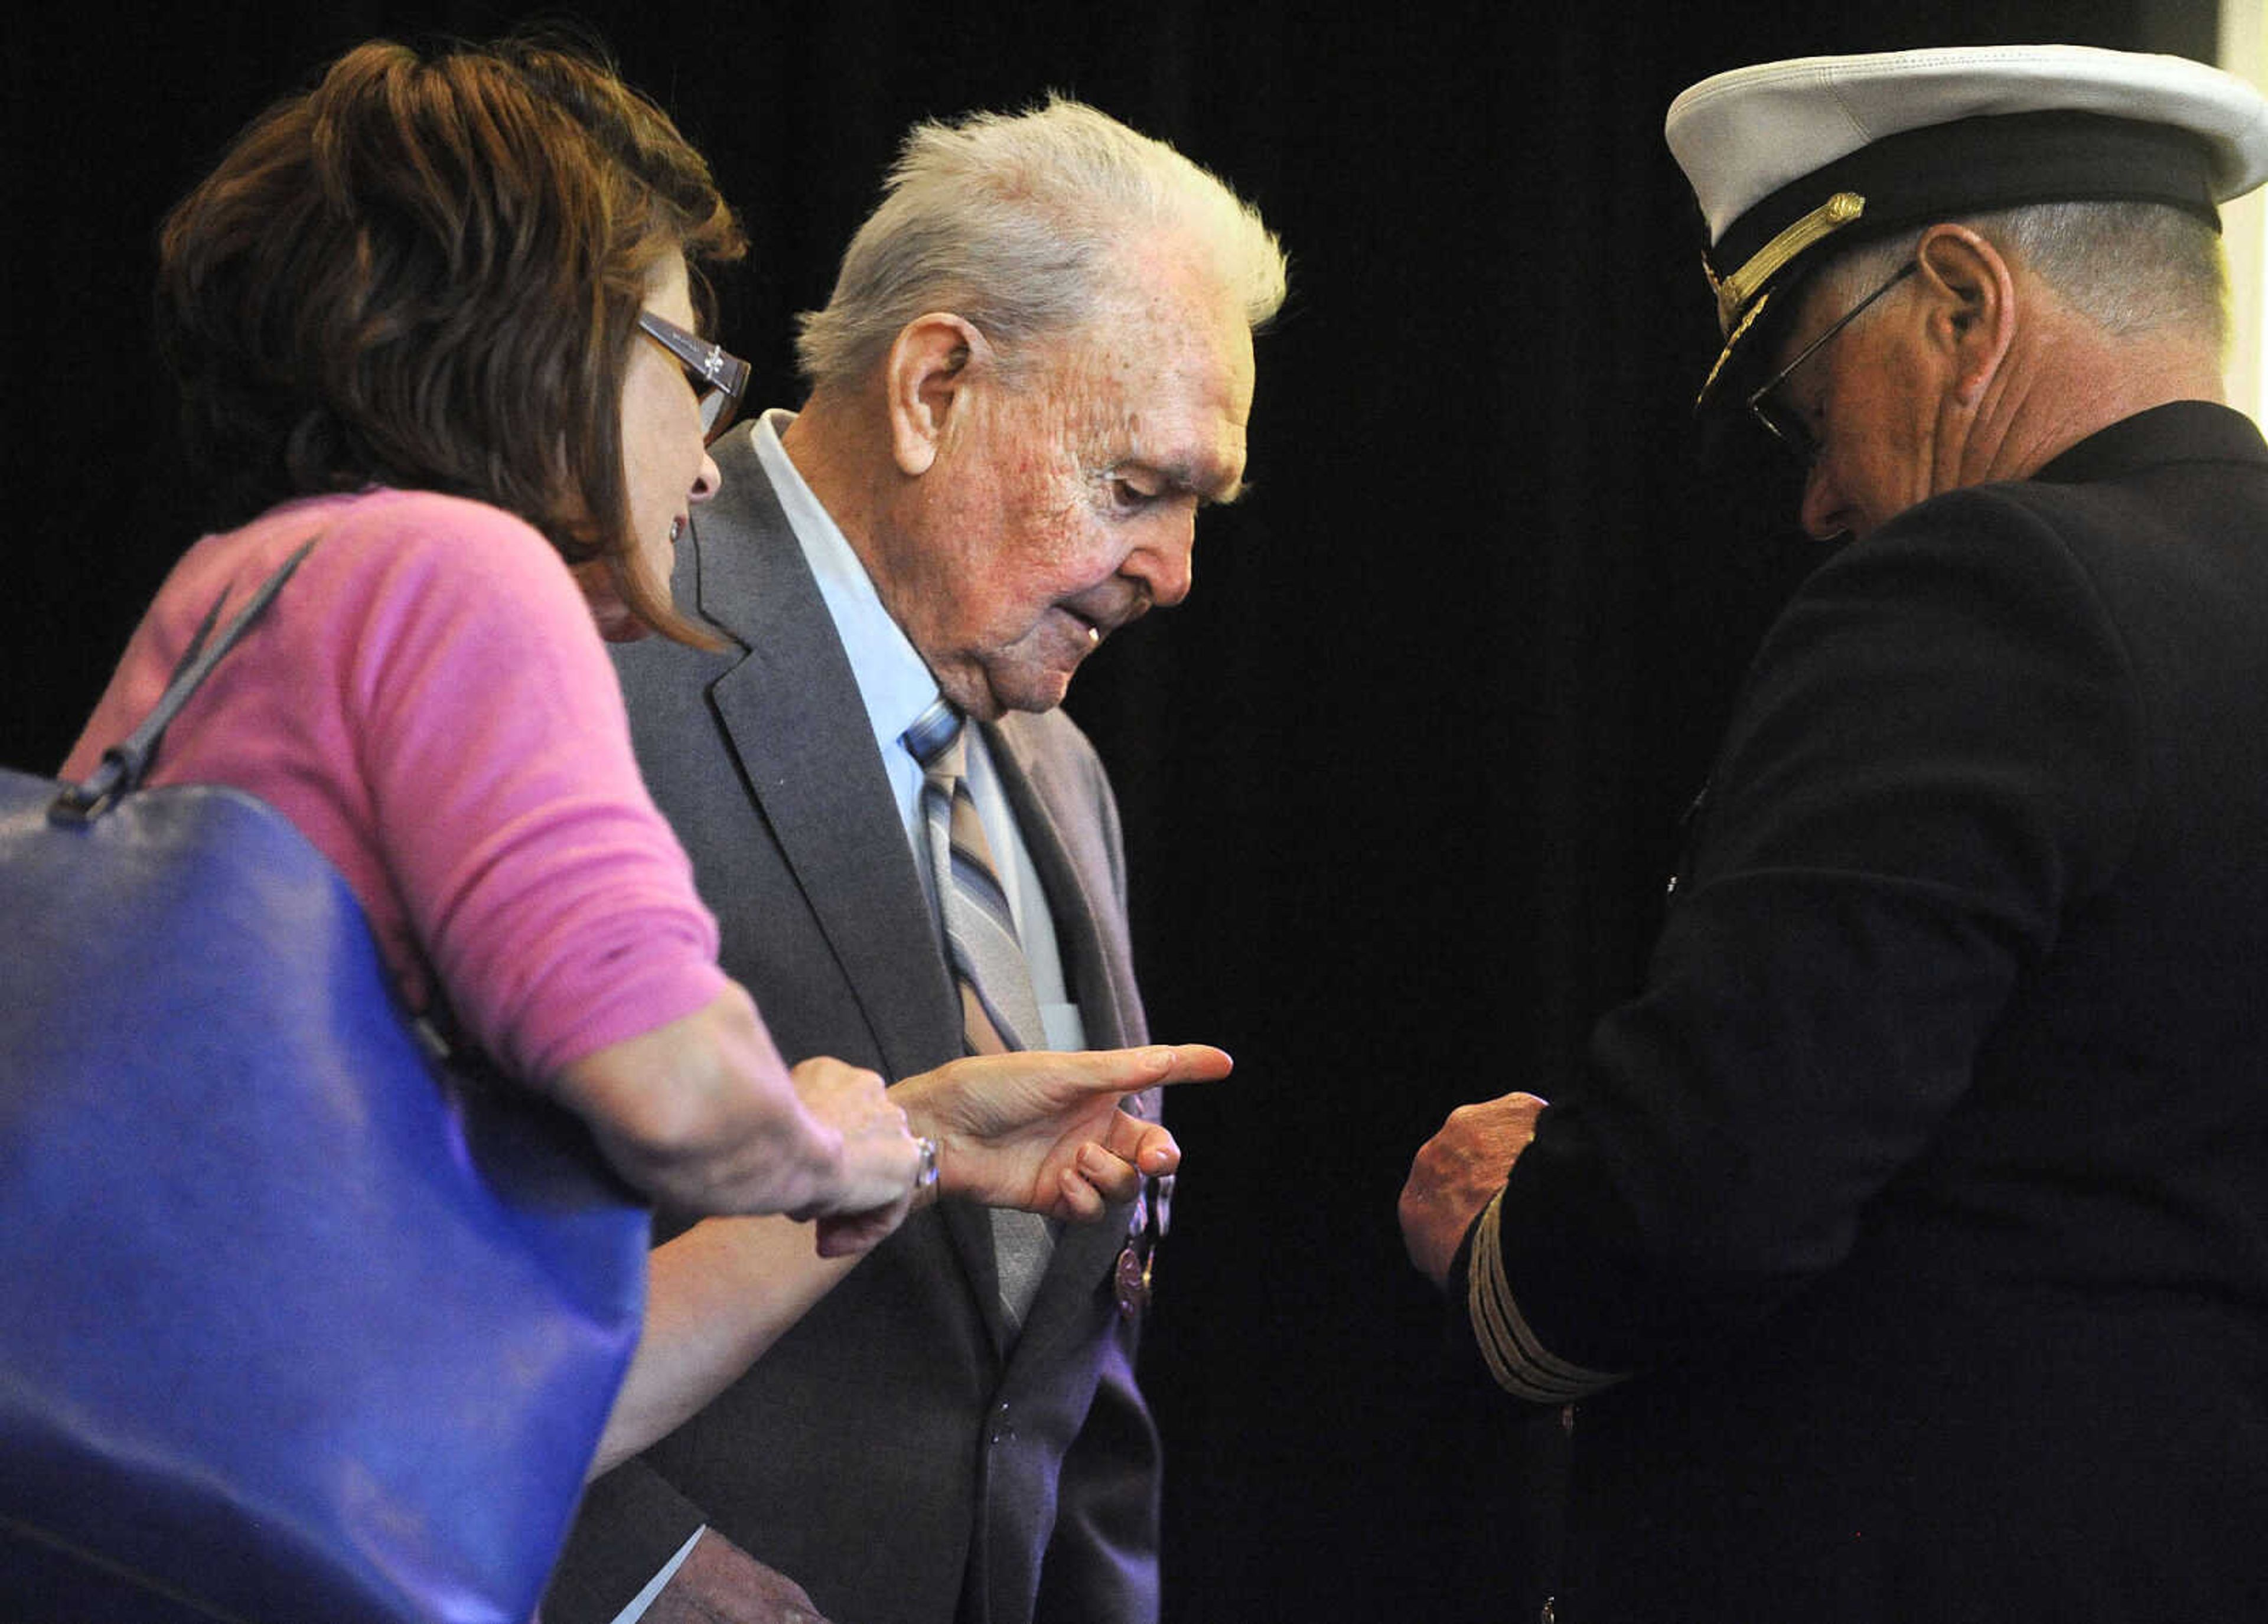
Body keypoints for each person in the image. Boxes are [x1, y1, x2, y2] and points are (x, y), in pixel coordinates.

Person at [69, 31, 1212, 1499]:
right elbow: (673, 1084)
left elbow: (515, 1410)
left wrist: (917, 1136)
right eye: (690, 365)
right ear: (546, 346)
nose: (705, 452)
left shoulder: (234, 584)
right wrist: (843, 1139)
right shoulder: (464, 573)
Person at [1399, 43, 2268, 1624]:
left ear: (1961, 306)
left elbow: (1706, 1182)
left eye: (1809, 408)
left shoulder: (1986, 586)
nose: (1816, 502)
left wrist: (1505, 1242)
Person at [549, 96, 1285, 1624]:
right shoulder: (593, 629)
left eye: (1197, 508)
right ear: (934, 385)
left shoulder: (1062, 774)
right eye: (1135, 486)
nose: (1176, 571)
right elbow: (384, 1245)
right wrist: (632, 1574)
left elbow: (1054, 1370)